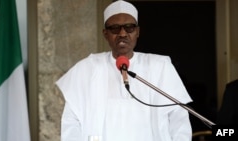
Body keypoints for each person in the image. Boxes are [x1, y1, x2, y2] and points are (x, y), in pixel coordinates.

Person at [56, 0, 193, 141]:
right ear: (105, 34)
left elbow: (178, 119)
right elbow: (71, 122)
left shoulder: (160, 66)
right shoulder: (87, 68)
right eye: (115, 28)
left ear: (137, 32)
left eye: (129, 27)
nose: (122, 33)